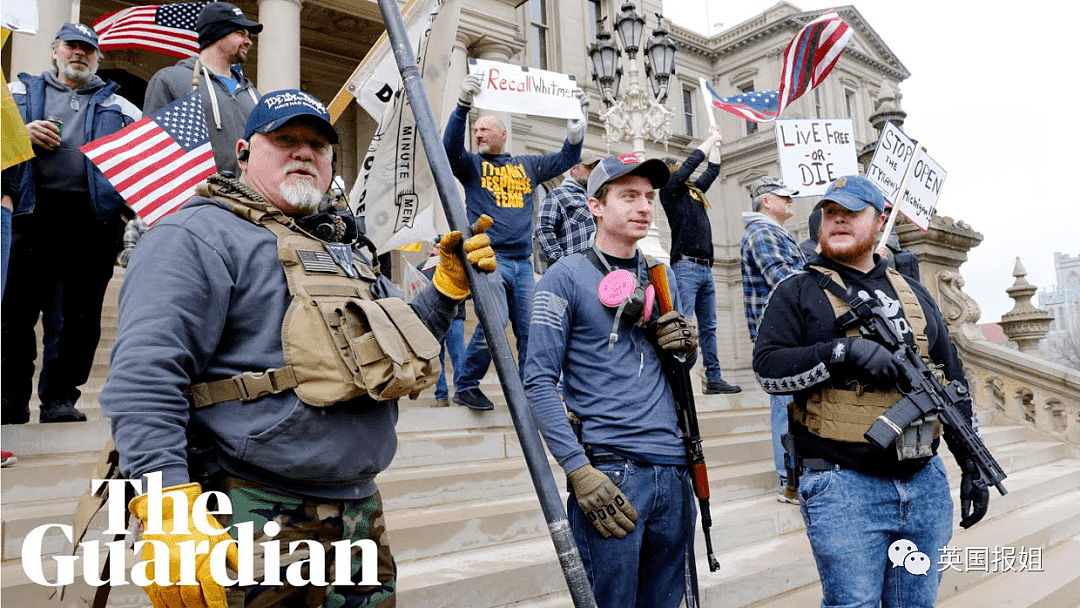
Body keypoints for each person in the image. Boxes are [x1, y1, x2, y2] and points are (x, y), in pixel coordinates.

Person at [100, 89, 497, 607]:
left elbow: (405, 348)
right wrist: (165, 501)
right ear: (244, 151)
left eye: (318, 144)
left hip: (359, 515)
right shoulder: (193, 235)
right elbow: (144, 377)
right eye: (285, 139)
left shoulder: (347, 251)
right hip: (249, 508)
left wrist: (445, 290)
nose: (304, 152)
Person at [752, 175, 989, 607]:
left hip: (924, 481)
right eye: (831, 213)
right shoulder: (797, 291)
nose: (838, 220)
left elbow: (951, 383)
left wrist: (972, 464)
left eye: (851, 212)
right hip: (842, 486)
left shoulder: (914, 294)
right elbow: (768, 370)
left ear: (879, 220)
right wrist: (844, 351)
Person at [525, 152, 700, 607]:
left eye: (648, 197)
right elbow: (538, 381)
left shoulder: (663, 278)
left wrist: (685, 350)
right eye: (628, 196)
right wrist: (578, 470)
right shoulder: (563, 277)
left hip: (674, 469)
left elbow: (678, 376)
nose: (644, 206)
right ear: (596, 206)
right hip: (611, 474)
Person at [1, 23, 141, 424]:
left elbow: (136, 167)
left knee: (77, 320)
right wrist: (20, 134)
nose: (79, 54)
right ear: (54, 49)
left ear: (98, 57)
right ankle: (9, 399)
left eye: (87, 49)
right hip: (30, 214)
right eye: (71, 47)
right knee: (13, 315)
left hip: (91, 224)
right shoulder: (16, 94)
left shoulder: (124, 107)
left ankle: (60, 398)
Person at [443, 73, 587, 411]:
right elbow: (449, 151)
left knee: (530, 330)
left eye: (484, 129)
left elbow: (567, 158)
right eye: (475, 130)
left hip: (523, 264)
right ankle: (465, 385)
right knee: (496, 318)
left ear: (502, 135)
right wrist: (462, 107)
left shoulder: (528, 165)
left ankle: (531, 391)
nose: (477, 133)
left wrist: (577, 127)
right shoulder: (472, 166)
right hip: (488, 258)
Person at [740, 175, 807, 502]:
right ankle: (789, 480)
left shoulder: (773, 232)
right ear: (766, 201)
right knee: (785, 405)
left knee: (791, 404)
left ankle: (795, 476)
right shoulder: (763, 232)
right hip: (779, 337)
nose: (790, 201)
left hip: (787, 333)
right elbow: (784, 280)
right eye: (784, 196)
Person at [660, 128, 741, 395]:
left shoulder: (693, 193)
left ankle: (714, 378)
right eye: (679, 168)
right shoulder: (669, 191)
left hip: (705, 268)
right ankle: (681, 374)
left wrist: (716, 142)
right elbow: (694, 164)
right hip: (685, 266)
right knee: (683, 323)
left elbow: (713, 170)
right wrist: (707, 142)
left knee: (709, 326)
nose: (684, 171)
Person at [143, 1, 262, 178]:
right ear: (217, 33)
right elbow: (153, 150)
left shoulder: (254, 95)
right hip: (197, 200)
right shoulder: (172, 80)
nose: (248, 41)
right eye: (240, 33)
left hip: (249, 201)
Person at [535, 151, 600, 266]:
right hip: (575, 269)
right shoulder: (558, 195)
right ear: (574, 169)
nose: (592, 172)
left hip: (599, 268)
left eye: (594, 168)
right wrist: (562, 263)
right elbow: (544, 229)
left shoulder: (597, 198)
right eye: (588, 167)